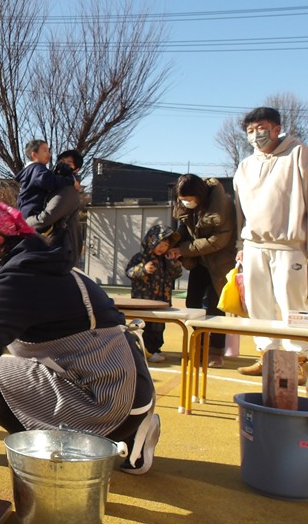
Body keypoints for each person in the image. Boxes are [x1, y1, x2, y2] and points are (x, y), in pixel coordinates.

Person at [0, 202, 160, 475]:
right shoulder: (47, 262)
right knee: (15, 364)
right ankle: (133, 433)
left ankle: (49, 452)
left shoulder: (15, 280)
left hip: (108, 403)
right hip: (134, 390)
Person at [233, 107, 308, 376]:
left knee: (293, 304)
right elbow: (239, 209)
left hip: (290, 244)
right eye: (250, 130)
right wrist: (240, 246)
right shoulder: (245, 165)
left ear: (277, 128)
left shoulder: (298, 152)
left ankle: (299, 360)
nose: (256, 135)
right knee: (258, 303)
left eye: (262, 128)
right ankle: (266, 354)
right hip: (253, 245)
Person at [169, 174, 236, 367]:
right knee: (192, 303)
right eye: (182, 199)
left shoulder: (222, 205)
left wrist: (183, 249)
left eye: (189, 199)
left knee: (214, 307)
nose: (186, 203)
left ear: (199, 194)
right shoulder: (186, 207)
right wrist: (172, 242)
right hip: (199, 262)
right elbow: (184, 228)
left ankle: (216, 350)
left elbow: (218, 241)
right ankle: (200, 344)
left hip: (220, 262)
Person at [16, 143, 83, 267]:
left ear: (76, 169)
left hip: (60, 250)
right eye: (61, 161)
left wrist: (23, 224)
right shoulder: (55, 183)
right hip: (52, 247)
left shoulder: (68, 188)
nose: (63, 165)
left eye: (68, 163)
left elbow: (46, 218)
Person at [125, 224, 183, 362]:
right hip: (143, 301)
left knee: (158, 326)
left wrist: (172, 262)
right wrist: (143, 269)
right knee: (143, 326)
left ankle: (154, 349)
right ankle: (143, 350)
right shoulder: (140, 257)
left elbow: (177, 273)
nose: (162, 247)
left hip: (161, 301)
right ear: (151, 241)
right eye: (160, 244)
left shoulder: (166, 260)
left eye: (166, 245)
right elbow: (129, 272)